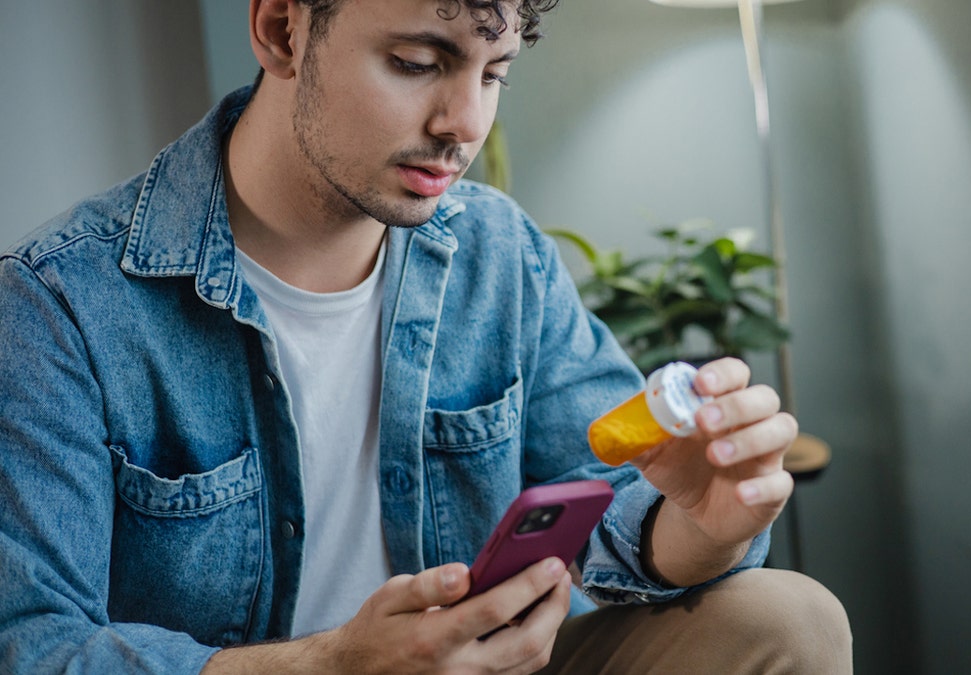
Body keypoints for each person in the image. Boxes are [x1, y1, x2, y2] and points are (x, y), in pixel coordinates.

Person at [0, 0, 852, 672]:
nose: (464, 123)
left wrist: (702, 524)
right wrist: (331, 667)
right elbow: (30, 644)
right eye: (417, 62)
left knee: (788, 618)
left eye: (495, 74)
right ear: (280, 28)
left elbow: (607, 513)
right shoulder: (58, 305)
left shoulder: (498, 253)